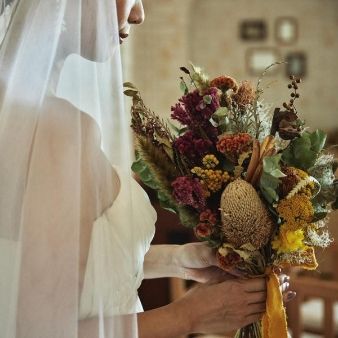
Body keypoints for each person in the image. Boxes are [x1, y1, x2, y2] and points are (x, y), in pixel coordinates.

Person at [0, 1, 293, 337]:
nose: (139, 13)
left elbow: (27, 266)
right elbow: (39, 331)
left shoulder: (17, 111)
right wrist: (189, 316)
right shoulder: (57, 131)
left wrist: (177, 261)